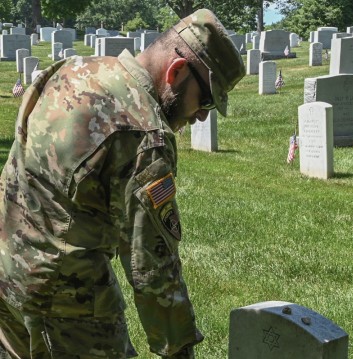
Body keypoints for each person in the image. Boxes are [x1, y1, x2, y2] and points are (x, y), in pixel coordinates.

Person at [0, 8, 244, 358]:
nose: (202, 114)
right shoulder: (144, 132)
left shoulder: (72, 69)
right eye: (205, 99)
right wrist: (178, 349)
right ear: (176, 72)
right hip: (66, 306)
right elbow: (153, 265)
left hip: (7, 273)